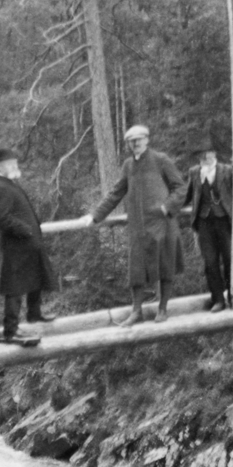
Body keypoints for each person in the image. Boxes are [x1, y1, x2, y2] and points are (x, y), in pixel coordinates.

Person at [79, 125, 187, 325]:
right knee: (136, 269)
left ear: (147, 140)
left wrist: (166, 207)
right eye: (132, 141)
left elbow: (181, 188)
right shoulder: (128, 165)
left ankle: (162, 309)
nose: (136, 144)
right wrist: (95, 216)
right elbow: (115, 193)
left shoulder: (161, 160)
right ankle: (136, 311)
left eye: (139, 140)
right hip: (138, 227)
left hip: (163, 224)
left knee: (166, 266)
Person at [0, 149, 56, 346]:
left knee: (36, 275)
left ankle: (34, 314)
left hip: (27, 242)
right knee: (15, 287)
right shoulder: (0, 187)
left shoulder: (9, 184)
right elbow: (3, 218)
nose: (15, 166)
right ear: (0, 166)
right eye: (11, 163)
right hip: (16, 244)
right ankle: (11, 331)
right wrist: (25, 230)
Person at [184, 139, 233, 312]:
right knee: (210, 262)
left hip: (225, 220)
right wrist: (169, 205)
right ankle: (218, 299)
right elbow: (186, 196)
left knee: (230, 259)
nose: (205, 156)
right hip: (204, 223)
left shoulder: (227, 170)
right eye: (201, 154)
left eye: (208, 152)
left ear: (214, 154)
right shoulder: (195, 172)